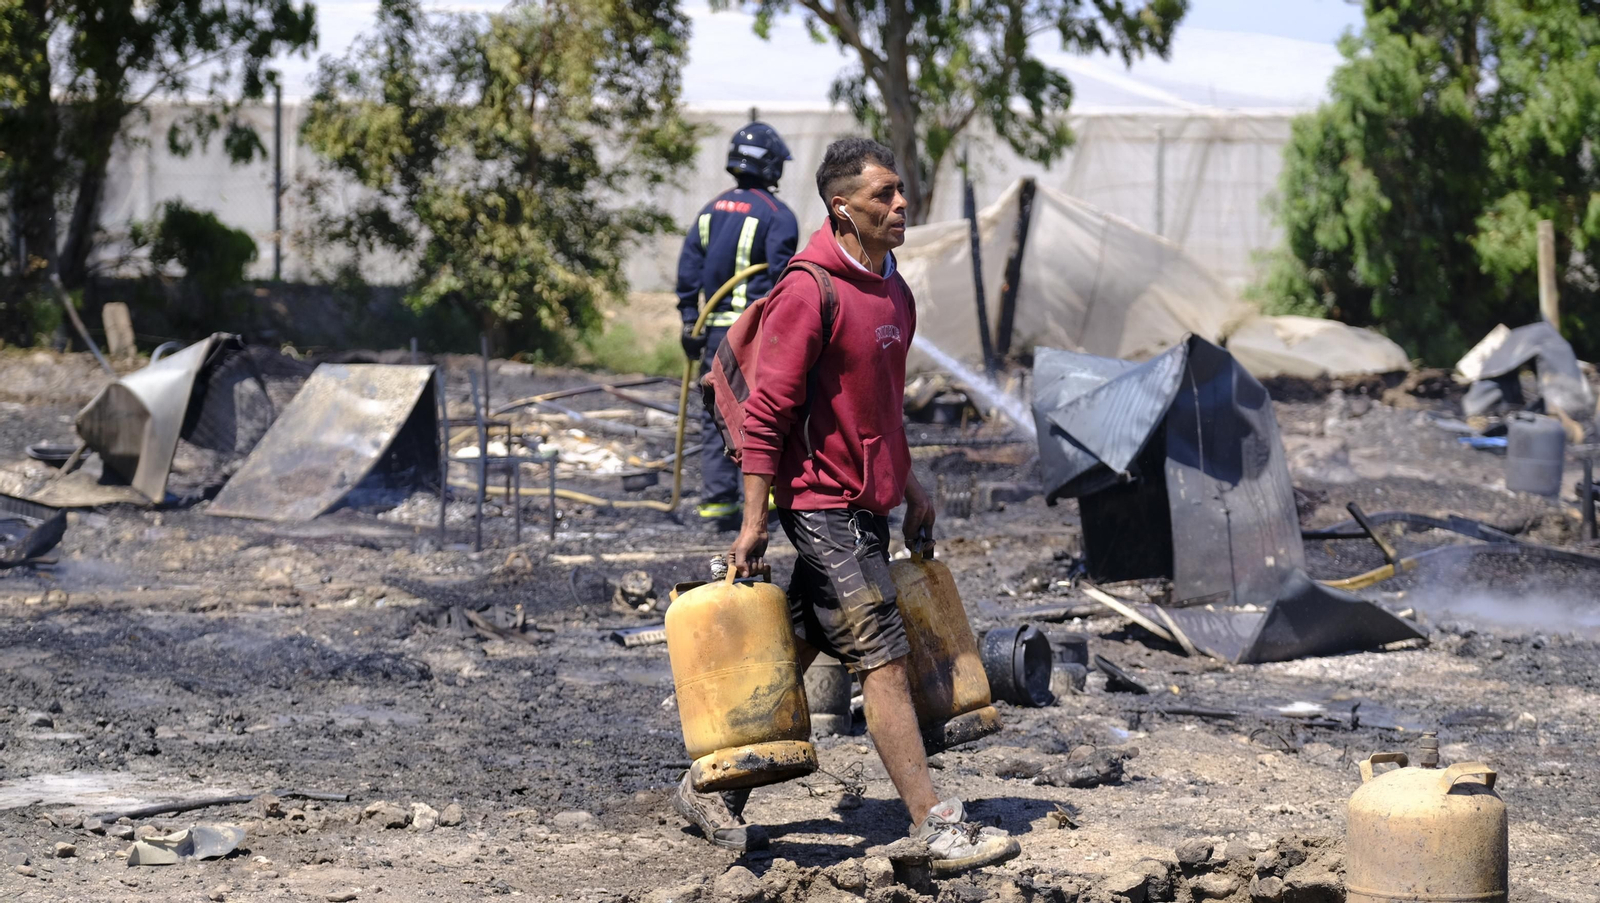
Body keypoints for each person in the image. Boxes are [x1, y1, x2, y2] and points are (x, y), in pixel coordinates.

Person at [670, 137, 1020, 875]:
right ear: (842, 207)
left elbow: (884, 407)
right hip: (822, 502)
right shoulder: (809, 290)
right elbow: (766, 412)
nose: (901, 206)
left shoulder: (894, 288)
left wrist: (913, 485)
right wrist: (754, 519)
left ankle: (710, 786)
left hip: (870, 503)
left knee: (791, 646)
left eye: (901, 193)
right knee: (882, 655)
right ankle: (933, 822)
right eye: (884, 195)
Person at [675, 122, 800, 532]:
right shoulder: (778, 215)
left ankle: (716, 507)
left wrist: (689, 319)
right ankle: (764, 498)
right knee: (764, 415)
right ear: (769, 166)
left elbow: (689, 267)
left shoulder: (710, 210)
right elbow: (784, 281)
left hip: (714, 335)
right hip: (755, 337)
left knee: (718, 414)